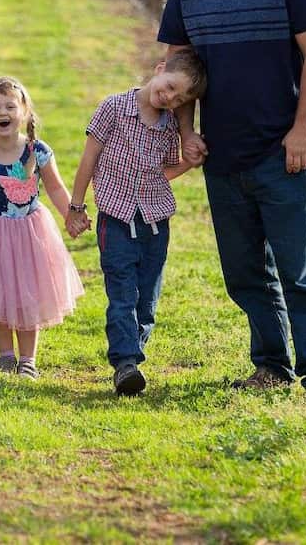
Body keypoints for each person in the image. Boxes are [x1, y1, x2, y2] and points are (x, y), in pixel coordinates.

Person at [157, 0, 306, 402]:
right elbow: (178, 66)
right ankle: (271, 364)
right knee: (243, 273)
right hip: (223, 155)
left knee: (300, 268)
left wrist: (303, 129)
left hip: (284, 151)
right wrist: (186, 132)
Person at [65, 50, 207, 395]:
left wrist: (189, 163)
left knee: (147, 301)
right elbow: (89, 158)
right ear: (159, 70)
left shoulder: (170, 125)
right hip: (115, 219)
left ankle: (132, 353)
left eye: (180, 98)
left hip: (155, 222)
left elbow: (163, 172)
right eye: (170, 86)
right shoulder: (114, 108)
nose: (170, 98)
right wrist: (76, 206)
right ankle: (125, 363)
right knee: (122, 293)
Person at [0, 77, 84, 379]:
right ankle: (6, 356)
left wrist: (71, 215)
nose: (2, 112)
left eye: (10, 106)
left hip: (27, 232)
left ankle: (27, 360)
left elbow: (55, 188)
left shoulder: (37, 151)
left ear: (24, 112)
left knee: (26, 296)